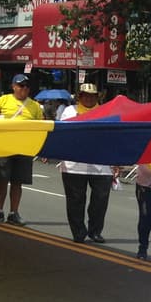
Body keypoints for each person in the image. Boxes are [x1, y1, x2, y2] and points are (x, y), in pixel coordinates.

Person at [57, 83, 119, 243]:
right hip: (74, 165)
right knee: (75, 201)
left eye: (92, 95)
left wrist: (116, 161)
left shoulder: (106, 112)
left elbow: (114, 138)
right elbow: (65, 133)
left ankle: (95, 231)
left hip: (101, 164)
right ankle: (78, 232)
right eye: (86, 95)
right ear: (80, 96)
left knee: (100, 201)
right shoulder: (70, 111)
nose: (89, 98)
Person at [0, 73, 43, 225]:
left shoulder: (34, 106)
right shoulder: (4, 100)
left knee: (17, 182)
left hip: (23, 149)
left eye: (27, 86)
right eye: (21, 86)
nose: (24, 89)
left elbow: (41, 126)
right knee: (2, 180)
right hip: (4, 147)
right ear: (13, 86)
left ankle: (13, 213)